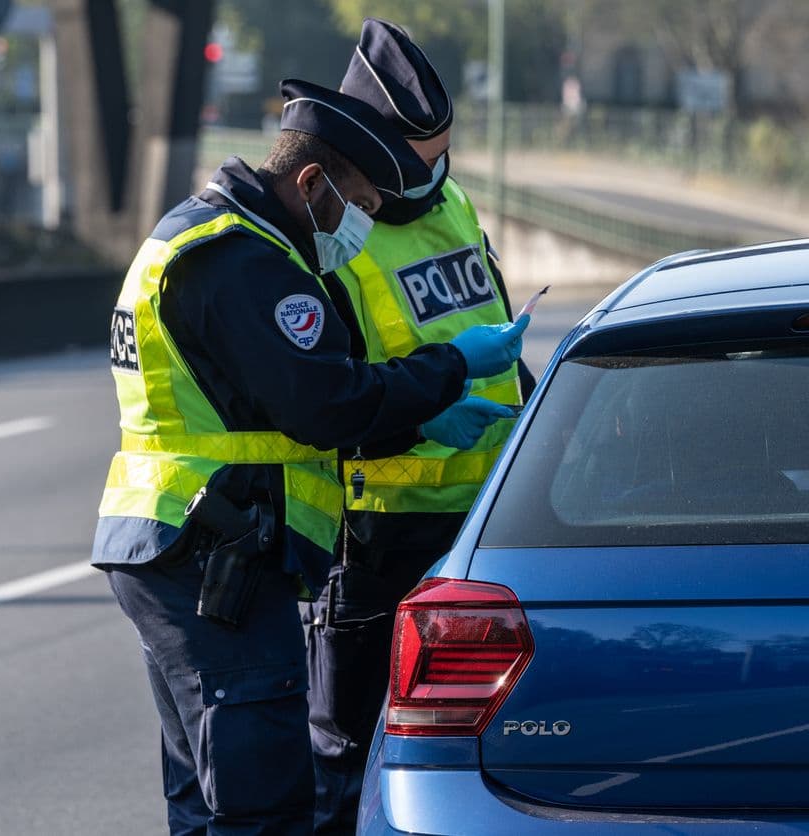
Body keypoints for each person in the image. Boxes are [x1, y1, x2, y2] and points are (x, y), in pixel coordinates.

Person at [91, 78, 529, 836]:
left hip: (175, 544)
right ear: (311, 182)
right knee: (265, 809)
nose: (362, 224)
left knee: (205, 800)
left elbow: (278, 413)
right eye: (358, 205)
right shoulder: (243, 260)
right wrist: (453, 365)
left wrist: (421, 423)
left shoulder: (203, 234)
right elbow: (327, 403)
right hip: (214, 557)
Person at [304, 20, 536, 834]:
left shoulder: (455, 205)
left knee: (473, 762)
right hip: (379, 535)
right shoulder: (336, 239)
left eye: (444, 155)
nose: (434, 174)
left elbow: (496, 343)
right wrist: (427, 422)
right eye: (418, 158)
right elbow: (321, 405)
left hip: (488, 527)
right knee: (351, 757)